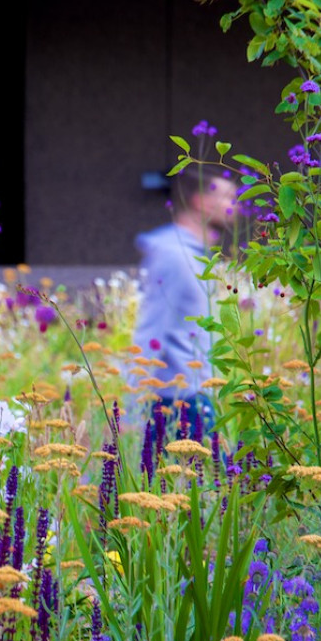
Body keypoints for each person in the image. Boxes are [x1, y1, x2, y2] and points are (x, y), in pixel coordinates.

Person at [126, 166, 239, 439]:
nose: (235, 207)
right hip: (174, 402)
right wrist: (131, 409)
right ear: (201, 202)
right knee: (212, 479)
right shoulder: (174, 257)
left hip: (193, 395)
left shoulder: (193, 255)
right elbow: (151, 330)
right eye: (228, 198)